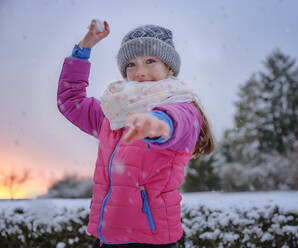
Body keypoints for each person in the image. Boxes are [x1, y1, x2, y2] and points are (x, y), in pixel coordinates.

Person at [57, 19, 215, 248]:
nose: (140, 72)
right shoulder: (115, 113)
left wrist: (155, 125)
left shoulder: (182, 106)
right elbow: (70, 102)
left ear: (169, 67)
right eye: (131, 64)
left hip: (149, 239)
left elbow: (175, 122)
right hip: (108, 235)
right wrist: (83, 49)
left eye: (150, 61)